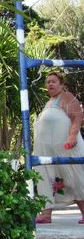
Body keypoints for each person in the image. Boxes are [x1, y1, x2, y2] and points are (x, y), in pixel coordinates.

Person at [34, 71, 84, 224]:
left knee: (74, 179)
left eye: (54, 81)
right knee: (44, 179)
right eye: (48, 82)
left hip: (66, 148)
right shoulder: (49, 102)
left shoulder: (66, 96)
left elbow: (78, 116)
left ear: (62, 85)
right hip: (47, 152)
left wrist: (72, 136)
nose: (50, 84)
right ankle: (46, 213)